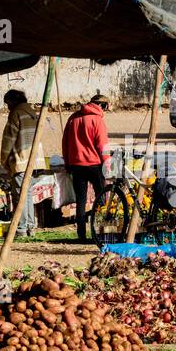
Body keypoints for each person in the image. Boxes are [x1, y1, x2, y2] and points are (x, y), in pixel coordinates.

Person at [62, 93, 111, 242]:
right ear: (102, 106)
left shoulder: (73, 118)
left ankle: (81, 234)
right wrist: (107, 163)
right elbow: (102, 146)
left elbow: (65, 143)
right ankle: (101, 232)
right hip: (95, 165)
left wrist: (68, 163)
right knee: (101, 199)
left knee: (81, 201)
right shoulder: (97, 120)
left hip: (76, 165)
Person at [0, 89, 42, 238]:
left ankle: (22, 228)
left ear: (13, 101)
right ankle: (30, 227)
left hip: (22, 161)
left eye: (8, 104)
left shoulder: (16, 113)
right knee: (28, 194)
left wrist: (4, 160)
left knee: (20, 196)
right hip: (35, 161)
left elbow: (8, 139)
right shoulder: (32, 112)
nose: (8, 107)